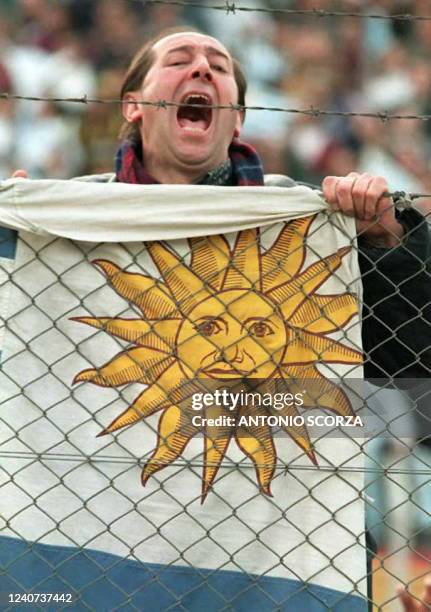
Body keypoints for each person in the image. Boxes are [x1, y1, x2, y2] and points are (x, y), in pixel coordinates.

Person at [9, 26, 431, 611]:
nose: (202, 69)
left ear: (237, 120)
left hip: (276, 569)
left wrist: (393, 246)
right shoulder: (67, 224)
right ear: (133, 105)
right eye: (179, 61)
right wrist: (19, 252)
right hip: (91, 562)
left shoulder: (315, 227)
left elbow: (403, 377)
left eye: (219, 65)